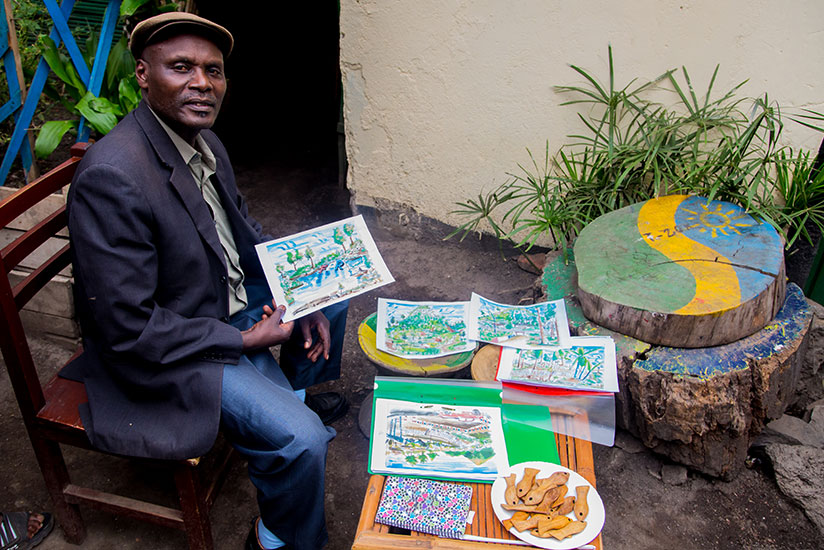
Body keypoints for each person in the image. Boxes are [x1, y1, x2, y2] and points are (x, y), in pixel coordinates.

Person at [63, 12, 348, 550]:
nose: (202, 83)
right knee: (304, 441)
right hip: (177, 345)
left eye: (213, 71)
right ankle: (275, 536)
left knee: (329, 293)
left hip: (218, 294)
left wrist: (298, 288)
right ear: (143, 75)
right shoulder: (112, 176)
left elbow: (242, 229)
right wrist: (246, 340)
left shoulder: (206, 142)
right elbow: (127, 327)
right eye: (181, 67)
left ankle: (291, 397)